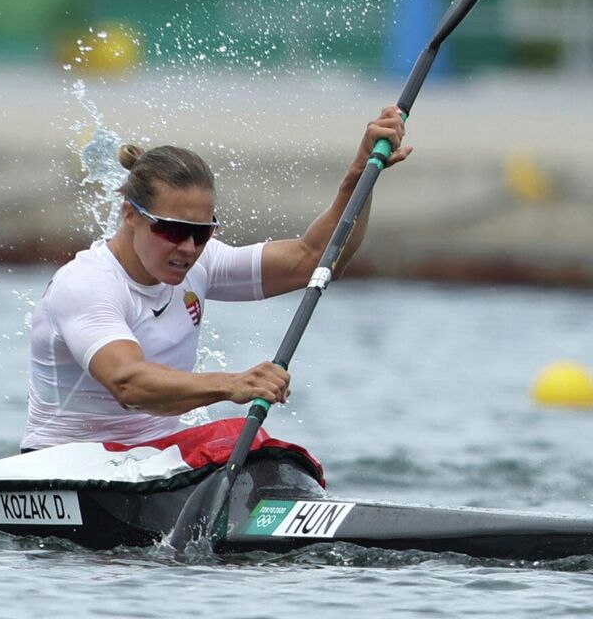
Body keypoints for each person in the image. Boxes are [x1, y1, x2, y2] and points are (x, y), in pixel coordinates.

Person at [22, 107, 412, 450]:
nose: (189, 249)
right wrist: (231, 384)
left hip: (152, 461)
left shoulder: (199, 262)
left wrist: (360, 175)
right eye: (173, 230)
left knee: (266, 452)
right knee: (242, 440)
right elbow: (128, 384)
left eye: (202, 232)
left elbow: (314, 260)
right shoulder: (87, 284)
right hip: (64, 468)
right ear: (130, 214)